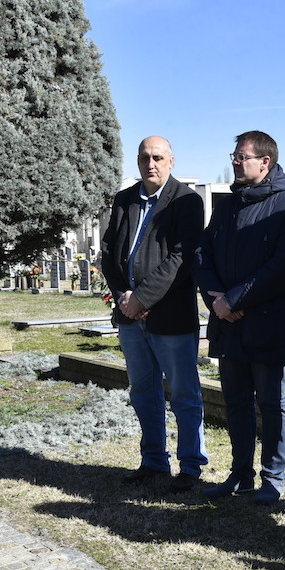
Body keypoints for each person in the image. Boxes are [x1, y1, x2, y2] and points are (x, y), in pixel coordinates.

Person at [195, 131, 285, 505]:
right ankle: (241, 473)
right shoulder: (227, 206)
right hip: (227, 321)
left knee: (271, 403)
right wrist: (217, 301)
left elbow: (283, 266)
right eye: (234, 155)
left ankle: (273, 478)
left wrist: (236, 298)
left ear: (265, 163)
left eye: (242, 156)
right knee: (237, 402)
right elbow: (202, 253)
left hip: (265, 322)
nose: (235, 161)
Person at [101, 136, 207, 493]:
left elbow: (181, 258)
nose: (151, 164)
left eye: (158, 157)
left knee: (183, 394)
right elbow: (109, 252)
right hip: (131, 318)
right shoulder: (124, 200)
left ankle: (190, 466)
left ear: (171, 161)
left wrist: (142, 298)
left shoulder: (187, 201)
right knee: (143, 392)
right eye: (145, 157)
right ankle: (153, 460)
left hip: (170, 317)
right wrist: (123, 299)